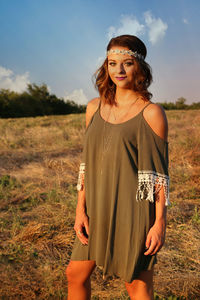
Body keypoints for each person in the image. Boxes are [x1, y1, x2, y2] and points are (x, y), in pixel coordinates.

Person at [66, 34, 170, 300]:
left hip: (132, 213)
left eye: (126, 63)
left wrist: (159, 223)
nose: (119, 71)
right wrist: (80, 210)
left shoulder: (151, 113)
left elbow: (159, 176)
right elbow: (86, 164)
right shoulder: (93, 108)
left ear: (140, 68)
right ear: (106, 66)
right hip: (96, 208)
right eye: (112, 63)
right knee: (75, 275)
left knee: (136, 286)